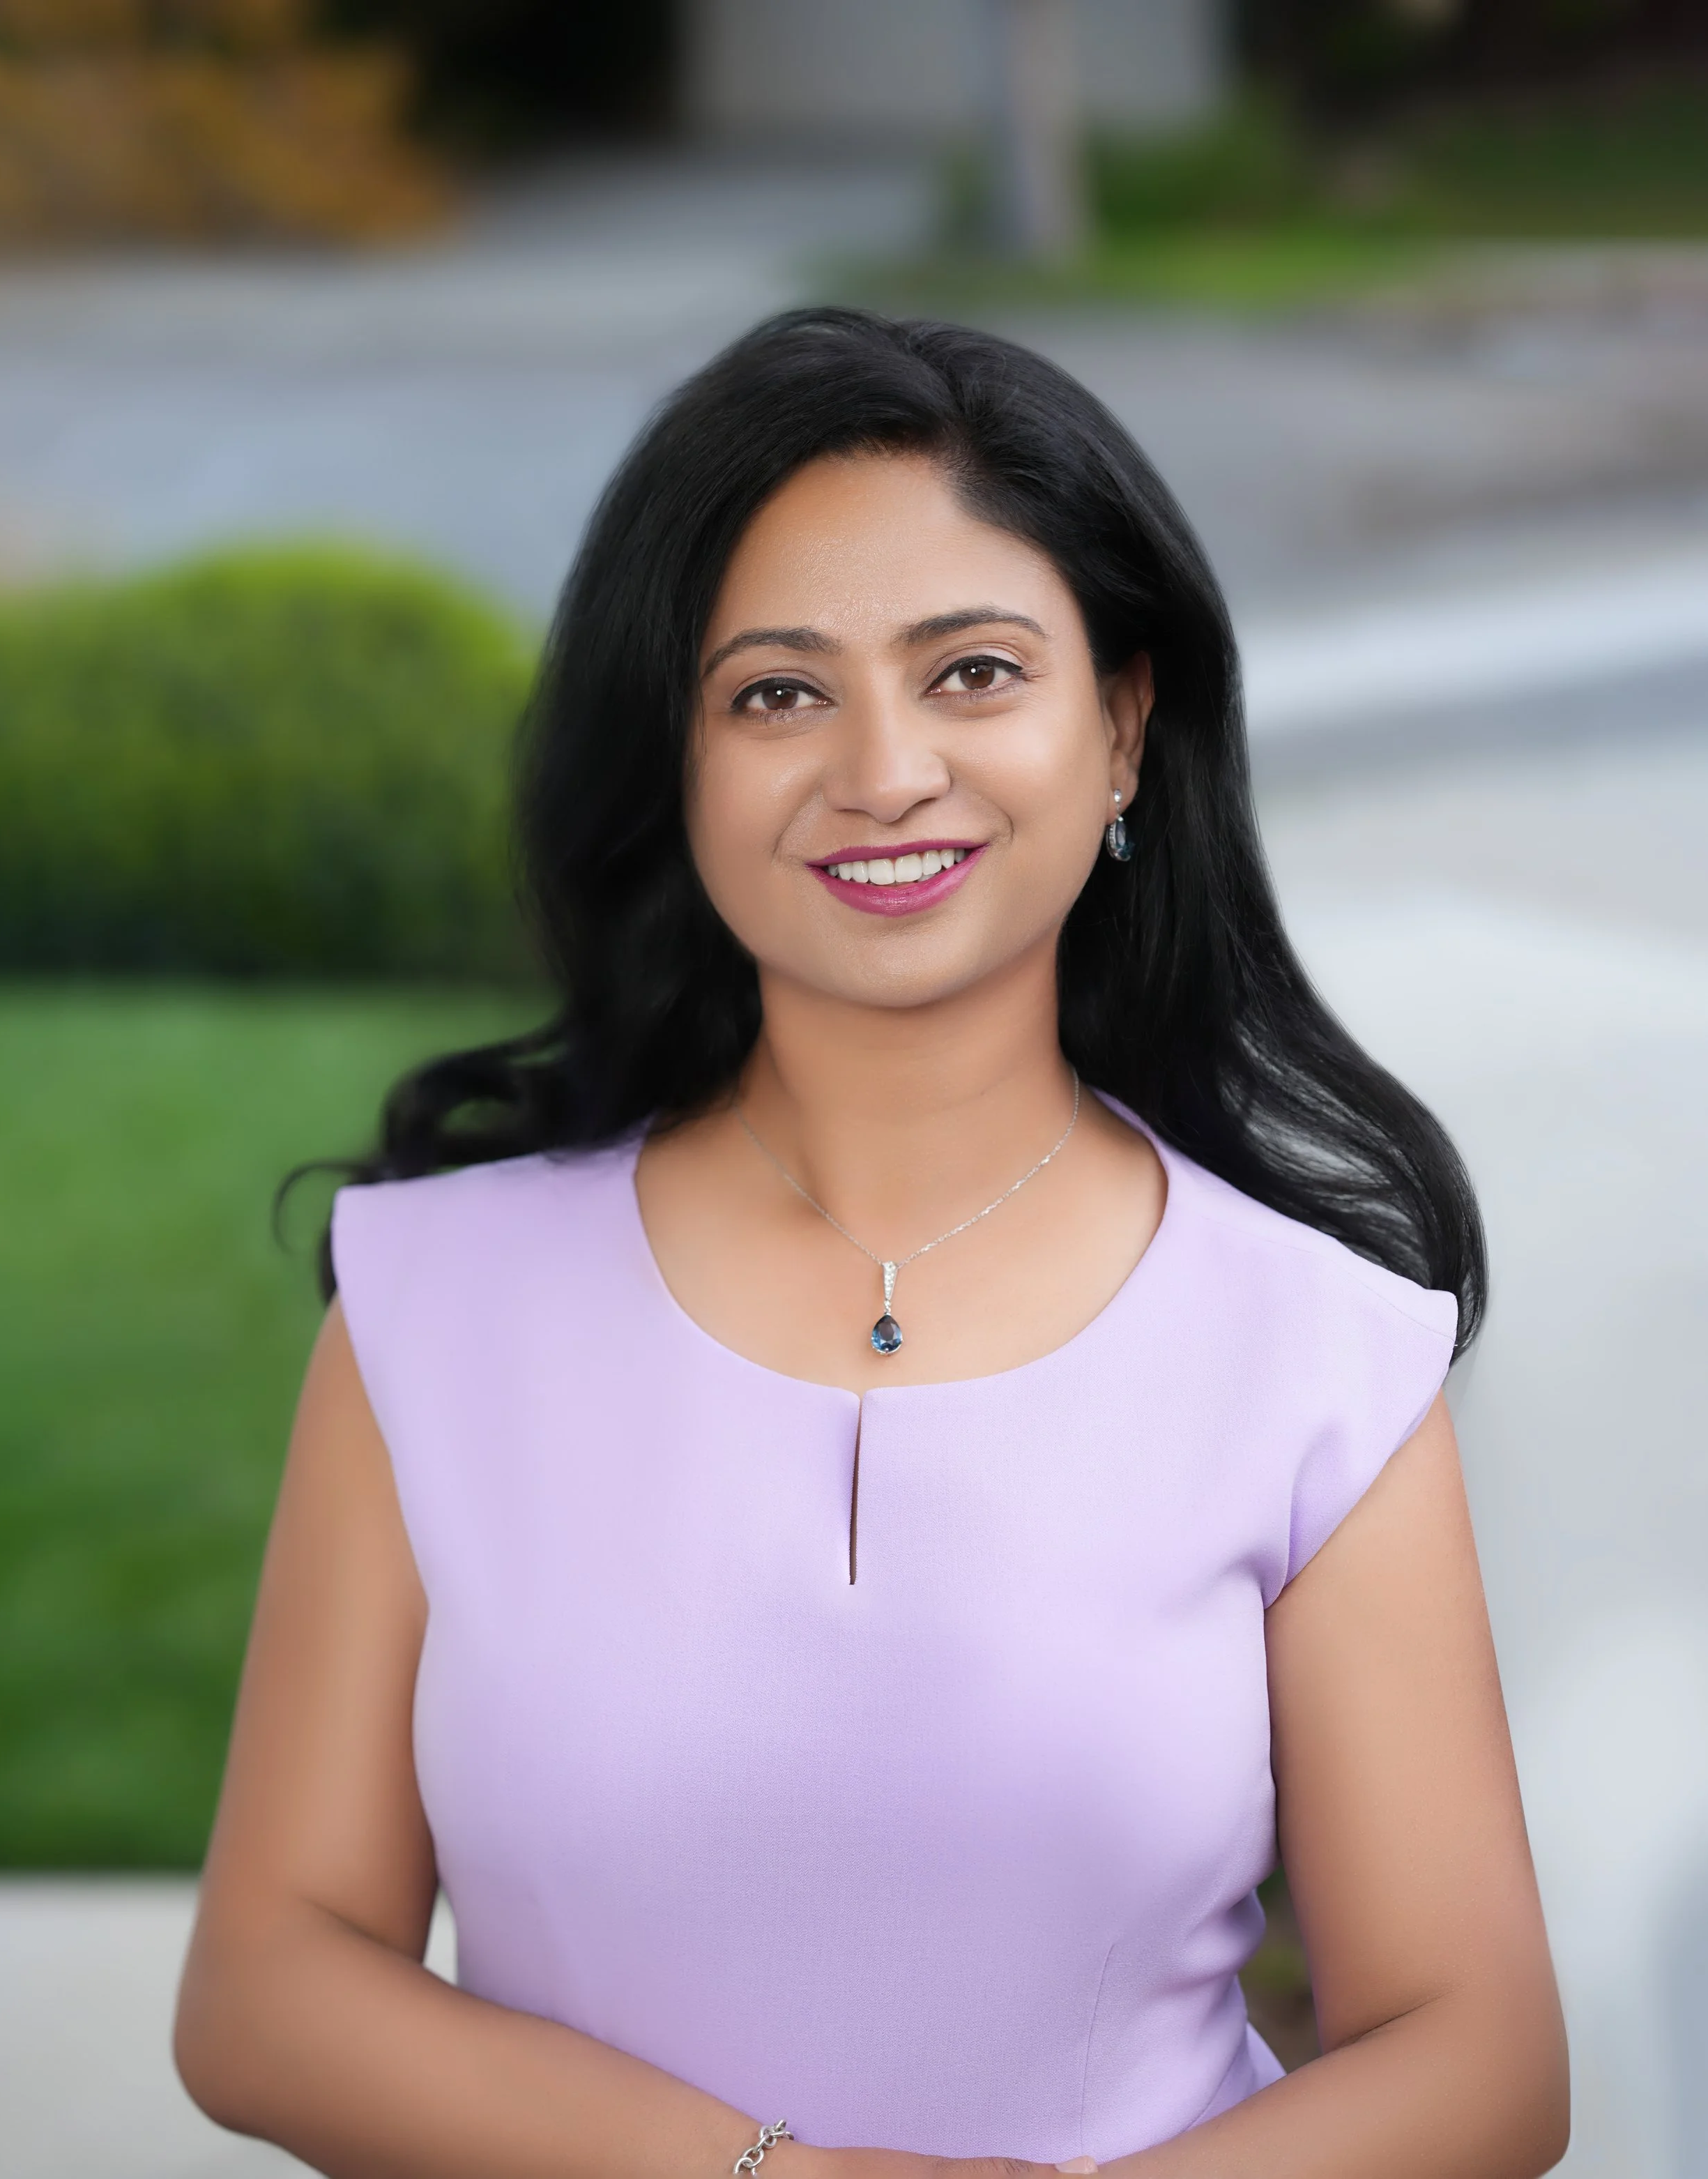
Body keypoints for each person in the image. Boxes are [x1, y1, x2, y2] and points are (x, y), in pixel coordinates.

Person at [174, 308, 1568, 2178]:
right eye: (776, 692)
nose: (882, 769)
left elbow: (1476, 2057)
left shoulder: (1313, 1349)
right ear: (675, 762)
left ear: (1123, 725)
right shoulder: (437, 1310)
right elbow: (265, 1987)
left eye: (974, 670)